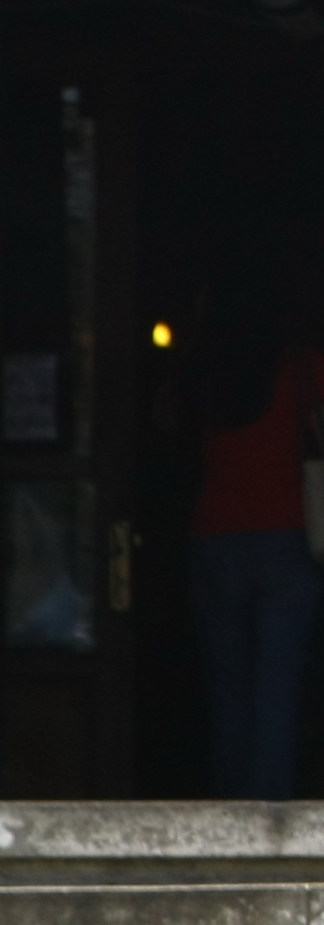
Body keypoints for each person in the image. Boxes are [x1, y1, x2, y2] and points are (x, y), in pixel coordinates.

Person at [185, 271, 324, 799]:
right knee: (277, 687)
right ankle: (267, 818)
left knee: (228, 689)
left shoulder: (206, 372)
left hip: (217, 536)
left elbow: (161, 416)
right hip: (289, 537)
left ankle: (230, 812)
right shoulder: (305, 370)